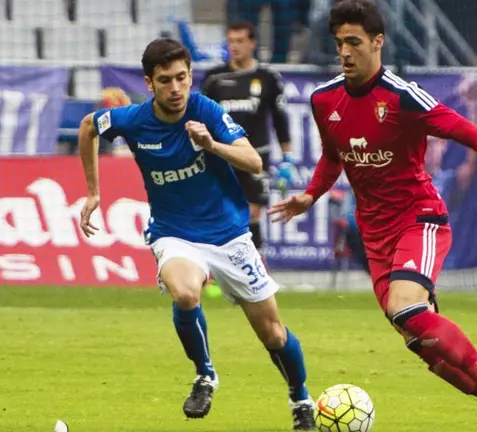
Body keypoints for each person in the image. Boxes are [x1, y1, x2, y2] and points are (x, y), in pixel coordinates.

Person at [267, 1, 477, 431]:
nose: (345, 52)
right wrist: (311, 195)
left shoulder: (401, 96)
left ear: (378, 42)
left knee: (405, 307)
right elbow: (334, 156)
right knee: (418, 339)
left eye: (354, 42)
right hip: (375, 236)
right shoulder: (324, 99)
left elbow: (472, 134)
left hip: (420, 218)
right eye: (339, 43)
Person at [76, 38, 316, 430]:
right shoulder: (133, 120)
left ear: (190, 76)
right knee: (186, 293)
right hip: (174, 232)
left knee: (273, 334)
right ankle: (205, 374)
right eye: (165, 80)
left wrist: (211, 144)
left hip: (229, 234)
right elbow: (89, 125)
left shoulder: (206, 111)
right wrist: (93, 192)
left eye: (182, 78)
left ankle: (300, 398)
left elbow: (254, 162)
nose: (175, 88)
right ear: (149, 83)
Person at [202, 20, 297, 253]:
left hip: (256, 156)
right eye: (231, 41)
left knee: (253, 213)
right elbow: (202, 118)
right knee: (224, 215)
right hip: (223, 156)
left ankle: (255, 265)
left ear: (252, 43)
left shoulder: (268, 78)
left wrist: (287, 159)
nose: (234, 46)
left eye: (240, 41)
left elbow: (280, 119)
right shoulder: (214, 78)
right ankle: (223, 265)